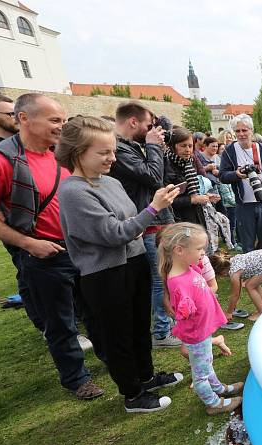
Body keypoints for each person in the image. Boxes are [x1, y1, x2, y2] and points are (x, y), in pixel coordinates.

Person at [57, 116, 184, 412]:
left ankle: (146, 377)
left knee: (139, 326)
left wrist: (136, 223)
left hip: (134, 260)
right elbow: (114, 233)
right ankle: (132, 394)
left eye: (112, 150)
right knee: (118, 335)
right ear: (78, 153)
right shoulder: (74, 191)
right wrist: (153, 209)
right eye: (103, 153)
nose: (112, 158)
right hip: (106, 274)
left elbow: (128, 224)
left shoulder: (110, 181)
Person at [0, 93, 104, 400]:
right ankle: (76, 378)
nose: (62, 126)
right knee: (61, 322)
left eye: (63, 119)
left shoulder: (61, 154)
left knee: (95, 311)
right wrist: (28, 243)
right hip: (44, 254)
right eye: (54, 120)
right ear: (24, 119)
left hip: (81, 247)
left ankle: (109, 358)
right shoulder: (4, 160)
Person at [110, 101, 181, 348]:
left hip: (159, 219)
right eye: (149, 125)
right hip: (146, 223)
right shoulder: (119, 149)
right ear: (133, 122)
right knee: (159, 278)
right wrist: (152, 145)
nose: (152, 130)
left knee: (167, 275)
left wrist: (156, 143)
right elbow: (152, 178)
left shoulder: (135, 146)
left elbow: (162, 176)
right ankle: (161, 332)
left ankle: (168, 325)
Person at [158, 223, 243, 415]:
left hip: (203, 330)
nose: (203, 253)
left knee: (207, 362)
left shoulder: (187, 269)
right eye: (199, 249)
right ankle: (214, 403)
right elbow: (183, 311)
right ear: (179, 250)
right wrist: (185, 306)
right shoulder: (177, 281)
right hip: (196, 334)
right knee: (201, 373)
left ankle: (220, 388)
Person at [219, 114, 262, 252]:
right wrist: (236, 174)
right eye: (238, 131)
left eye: (244, 130)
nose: (241, 134)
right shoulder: (229, 151)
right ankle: (251, 272)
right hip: (243, 204)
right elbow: (222, 175)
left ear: (251, 130)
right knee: (247, 243)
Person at [215, 249, 262, 322]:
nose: (222, 277)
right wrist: (232, 307)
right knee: (254, 285)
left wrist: (229, 312)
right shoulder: (234, 260)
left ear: (221, 271)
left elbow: (235, 294)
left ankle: (261, 313)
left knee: (250, 286)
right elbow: (238, 289)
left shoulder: (234, 273)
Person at [164, 128, 213, 226]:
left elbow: (200, 182)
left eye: (190, 146)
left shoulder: (192, 160)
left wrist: (207, 195)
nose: (187, 150)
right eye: (183, 146)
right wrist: (192, 199)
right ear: (173, 146)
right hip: (178, 220)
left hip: (197, 215)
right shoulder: (165, 164)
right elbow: (164, 200)